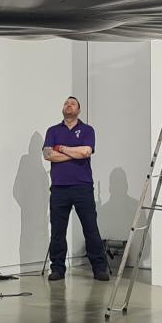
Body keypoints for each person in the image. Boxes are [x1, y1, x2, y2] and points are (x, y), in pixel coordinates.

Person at [43, 95, 108, 281]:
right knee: (58, 231)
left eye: (72, 104)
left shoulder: (87, 130)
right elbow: (48, 155)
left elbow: (86, 151)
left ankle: (99, 268)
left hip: (82, 187)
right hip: (59, 188)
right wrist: (75, 152)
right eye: (66, 103)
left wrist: (62, 149)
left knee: (90, 228)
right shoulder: (53, 130)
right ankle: (57, 268)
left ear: (78, 110)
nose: (68, 105)